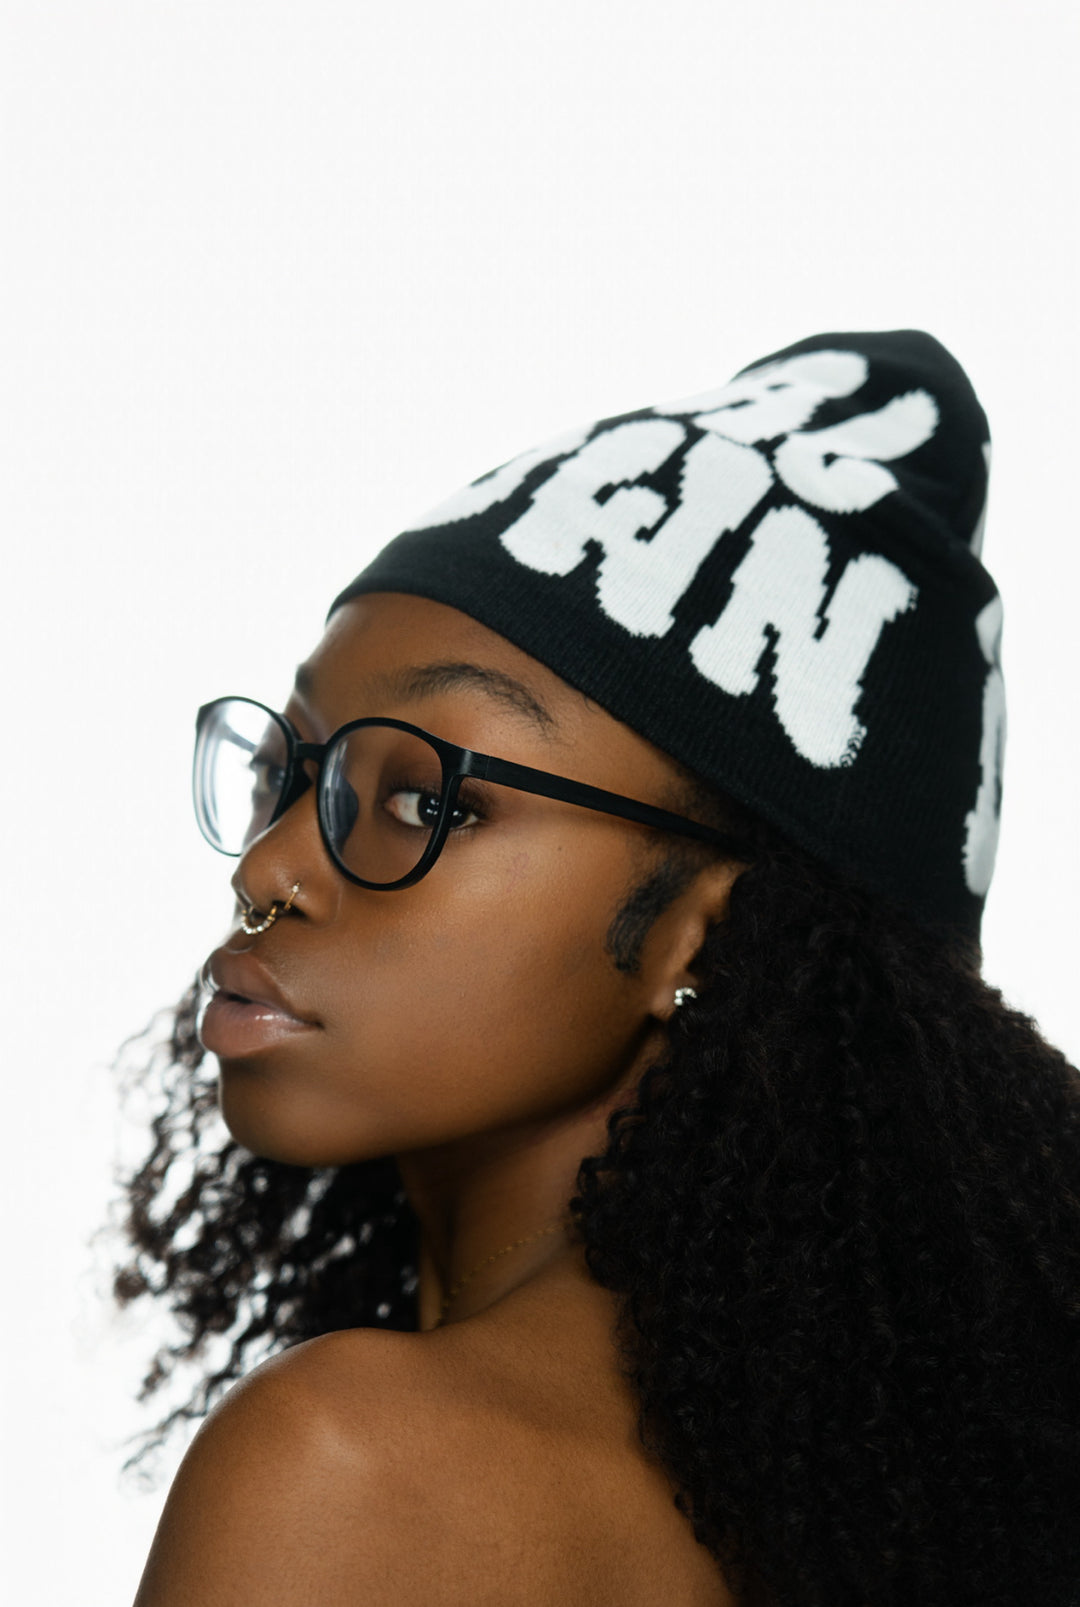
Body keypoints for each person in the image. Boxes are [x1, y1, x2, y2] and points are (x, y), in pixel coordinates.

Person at [119, 330, 1080, 1607]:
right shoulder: (870, 1521)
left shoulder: (349, 1469)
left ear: (703, 934)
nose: (270, 867)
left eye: (422, 798)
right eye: (291, 769)